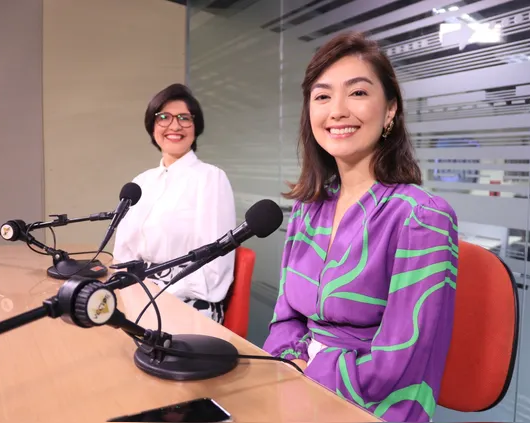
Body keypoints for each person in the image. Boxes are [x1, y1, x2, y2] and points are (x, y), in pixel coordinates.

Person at [262, 31, 459, 423]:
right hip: (295, 386)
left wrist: (311, 371)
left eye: (357, 93)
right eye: (322, 96)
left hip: (374, 407)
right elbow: (285, 319)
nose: (336, 110)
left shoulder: (422, 217)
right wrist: (286, 366)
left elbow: (398, 361)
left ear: (390, 112)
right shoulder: (307, 210)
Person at [113, 83, 236, 324]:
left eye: (184, 118)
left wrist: (158, 292)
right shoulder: (141, 182)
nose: (175, 125)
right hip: (139, 294)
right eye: (164, 117)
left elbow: (215, 267)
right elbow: (122, 254)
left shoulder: (211, 178)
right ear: (152, 126)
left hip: (188, 304)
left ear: (195, 126)